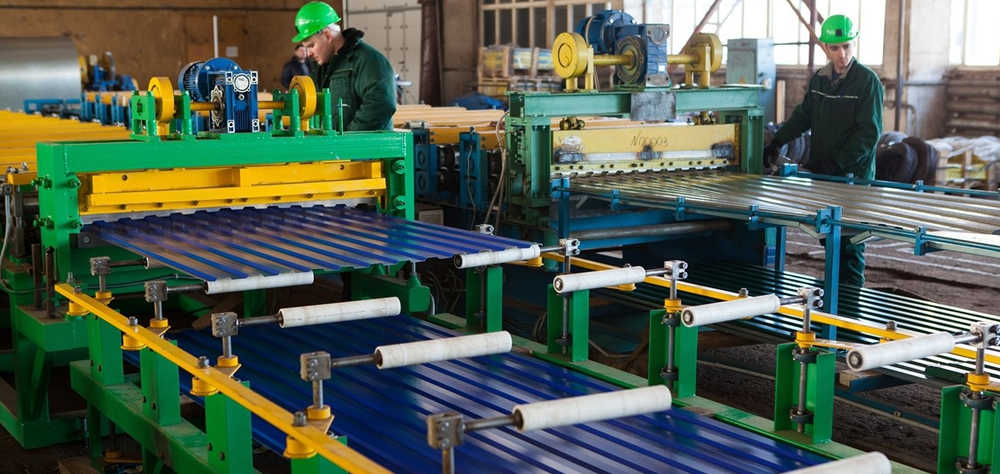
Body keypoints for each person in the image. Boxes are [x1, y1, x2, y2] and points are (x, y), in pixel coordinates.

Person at [764, 14, 884, 288]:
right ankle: (833, 298)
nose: (842, 54)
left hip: (853, 179)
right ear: (825, 47)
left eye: (847, 46)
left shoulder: (868, 82)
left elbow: (869, 134)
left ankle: (849, 304)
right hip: (825, 176)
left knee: (850, 243)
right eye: (835, 48)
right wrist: (777, 141)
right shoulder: (820, 80)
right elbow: (804, 116)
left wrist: (837, 162)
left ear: (854, 44)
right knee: (829, 238)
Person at [292, 1, 396, 131]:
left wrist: (347, 139)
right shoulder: (321, 68)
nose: (309, 53)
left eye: (312, 46)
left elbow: (381, 105)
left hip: (365, 144)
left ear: (327, 35)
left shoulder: (368, 60)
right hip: (334, 143)